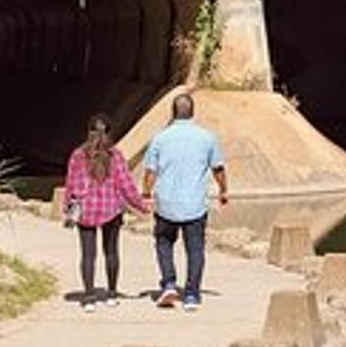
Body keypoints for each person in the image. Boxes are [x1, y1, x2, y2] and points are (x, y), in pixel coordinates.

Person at [140, 91, 228, 310]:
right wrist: (223, 190)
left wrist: (146, 194)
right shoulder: (207, 137)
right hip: (195, 205)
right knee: (195, 250)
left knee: (164, 243)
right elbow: (218, 168)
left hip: (166, 204)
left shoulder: (160, 138)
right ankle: (191, 295)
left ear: (173, 113)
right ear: (193, 113)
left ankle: (169, 283)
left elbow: (150, 171)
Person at [56, 114, 147, 312]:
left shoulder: (78, 155)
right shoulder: (115, 155)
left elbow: (71, 184)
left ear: (88, 132)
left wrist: (68, 210)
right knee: (111, 252)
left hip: (85, 211)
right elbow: (126, 185)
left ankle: (88, 297)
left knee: (88, 255)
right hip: (111, 210)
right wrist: (141, 206)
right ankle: (112, 294)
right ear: (110, 132)